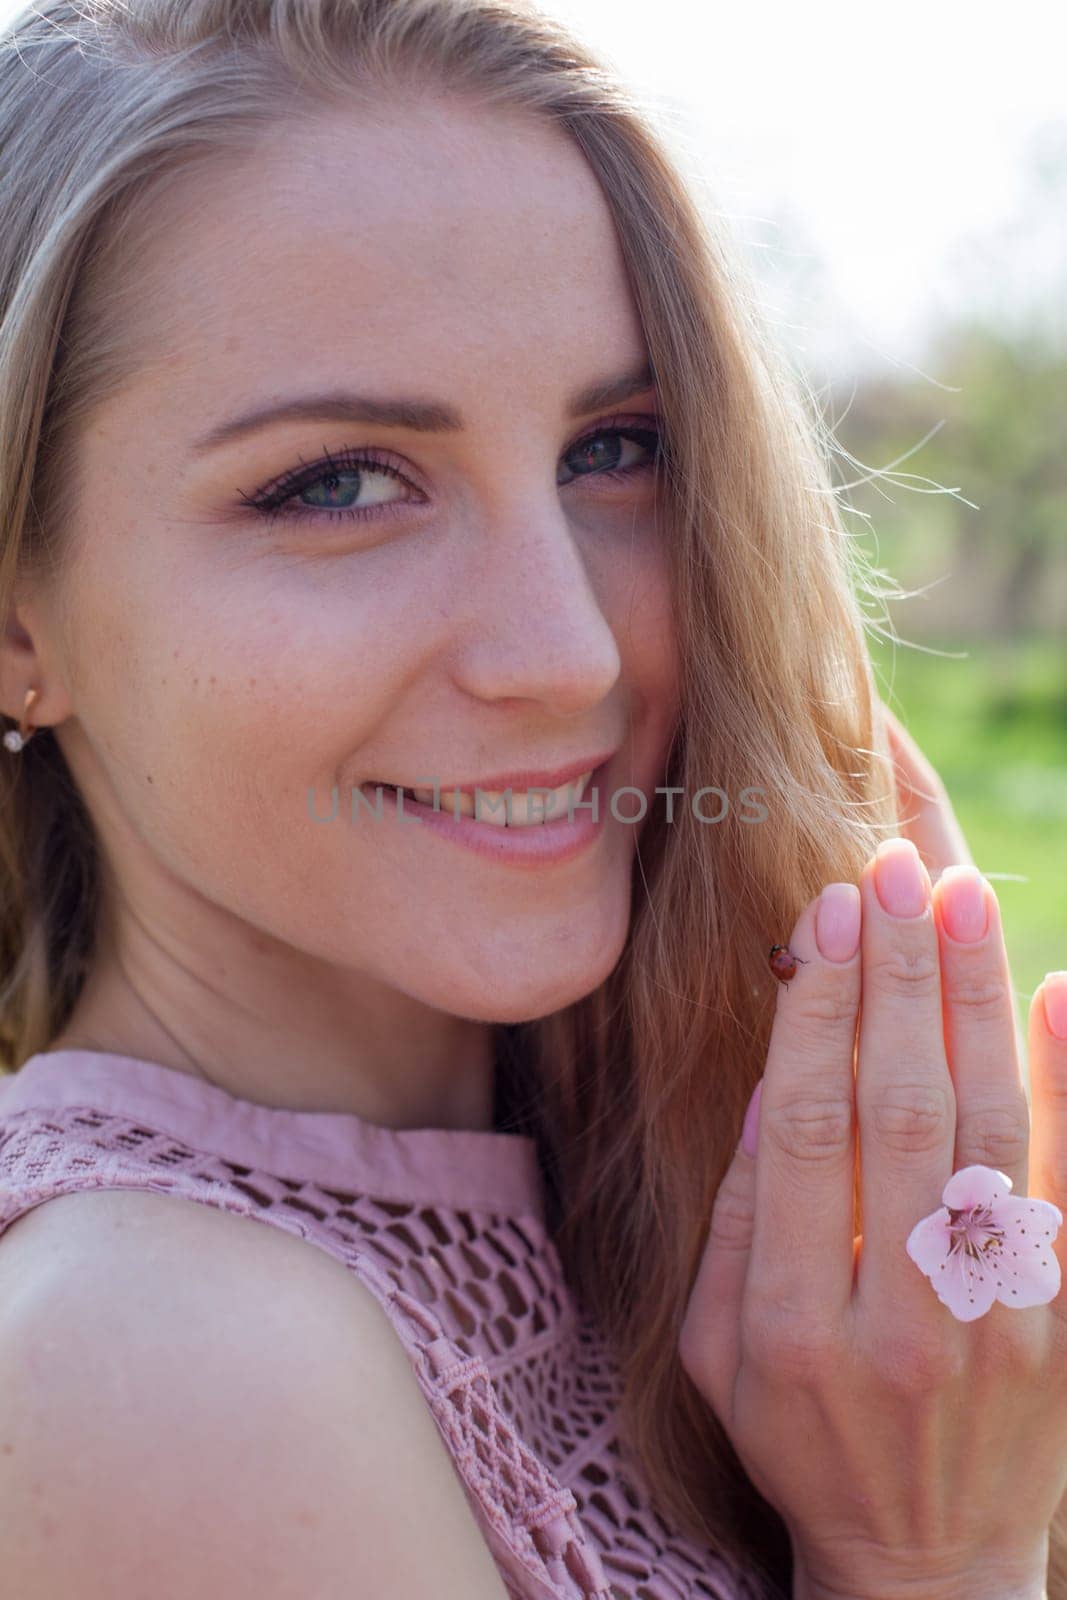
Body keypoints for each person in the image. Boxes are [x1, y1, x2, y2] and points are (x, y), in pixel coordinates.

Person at [0, 1, 1064, 1596]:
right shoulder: (160, 1356)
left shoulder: (659, 1200)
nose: (566, 652)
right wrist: (931, 1550)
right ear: (22, 623)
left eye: (616, 448)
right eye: (340, 482)